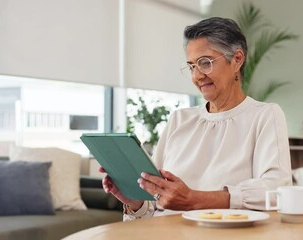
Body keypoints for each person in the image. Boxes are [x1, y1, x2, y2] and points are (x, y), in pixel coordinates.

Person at [100, 17, 292, 221]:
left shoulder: (264, 115)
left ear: (237, 59)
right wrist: (133, 201)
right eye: (192, 66)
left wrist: (194, 200)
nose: (197, 76)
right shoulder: (179, 119)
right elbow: (154, 203)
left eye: (205, 63)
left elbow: (276, 189)